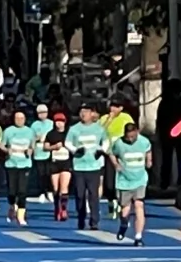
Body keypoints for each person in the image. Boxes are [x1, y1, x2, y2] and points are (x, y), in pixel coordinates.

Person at [66, 103, 110, 231]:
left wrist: (102, 150)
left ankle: (94, 221)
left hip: (94, 166)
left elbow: (106, 141)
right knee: (80, 195)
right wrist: (75, 150)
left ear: (92, 113)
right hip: (79, 166)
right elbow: (67, 142)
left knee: (93, 195)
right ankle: (81, 218)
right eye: (81, 111)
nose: (83, 114)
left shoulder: (99, 129)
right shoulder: (74, 129)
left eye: (86, 111)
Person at [112, 120, 152, 245]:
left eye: (133, 137)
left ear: (137, 132)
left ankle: (138, 236)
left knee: (139, 205)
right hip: (124, 181)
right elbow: (111, 153)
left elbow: (148, 150)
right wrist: (116, 164)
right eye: (128, 137)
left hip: (140, 179)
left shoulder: (144, 141)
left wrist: (149, 160)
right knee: (125, 208)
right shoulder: (119, 143)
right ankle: (124, 224)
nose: (130, 139)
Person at [0, 107, 36, 225]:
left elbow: (33, 146)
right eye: (17, 118)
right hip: (11, 164)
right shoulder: (8, 131)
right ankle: (12, 206)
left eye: (22, 118)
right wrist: (6, 150)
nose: (19, 120)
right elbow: (1, 144)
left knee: (22, 191)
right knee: (12, 191)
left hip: (25, 164)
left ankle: (21, 216)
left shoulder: (30, 131)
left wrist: (30, 150)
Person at [99, 95, 135, 209]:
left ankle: (124, 201)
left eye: (116, 106)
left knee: (124, 178)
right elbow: (99, 132)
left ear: (121, 108)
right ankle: (111, 199)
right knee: (109, 180)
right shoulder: (104, 118)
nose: (113, 109)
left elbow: (132, 132)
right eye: (112, 106)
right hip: (109, 153)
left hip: (124, 153)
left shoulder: (126, 117)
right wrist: (109, 120)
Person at [156, 77, 181, 189]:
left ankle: (165, 182)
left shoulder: (165, 102)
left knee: (168, 158)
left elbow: (159, 120)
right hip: (178, 133)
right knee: (179, 158)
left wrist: (159, 132)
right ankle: (180, 180)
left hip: (168, 133)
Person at [47, 110, 72, 221]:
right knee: (56, 188)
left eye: (61, 121)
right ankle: (57, 208)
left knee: (64, 187)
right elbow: (45, 147)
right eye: (57, 121)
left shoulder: (69, 134)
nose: (59, 123)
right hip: (54, 162)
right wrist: (54, 147)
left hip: (66, 162)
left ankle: (64, 209)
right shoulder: (51, 134)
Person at [32, 102, 54, 203]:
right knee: (41, 174)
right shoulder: (34, 125)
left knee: (49, 173)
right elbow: (31, 138)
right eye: (40, 113)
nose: (42, 115)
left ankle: (50, 191)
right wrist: (37, 138)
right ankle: (42, 192)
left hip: (49, 152)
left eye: (44, 112)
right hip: (38, 153)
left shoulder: (51, 123)